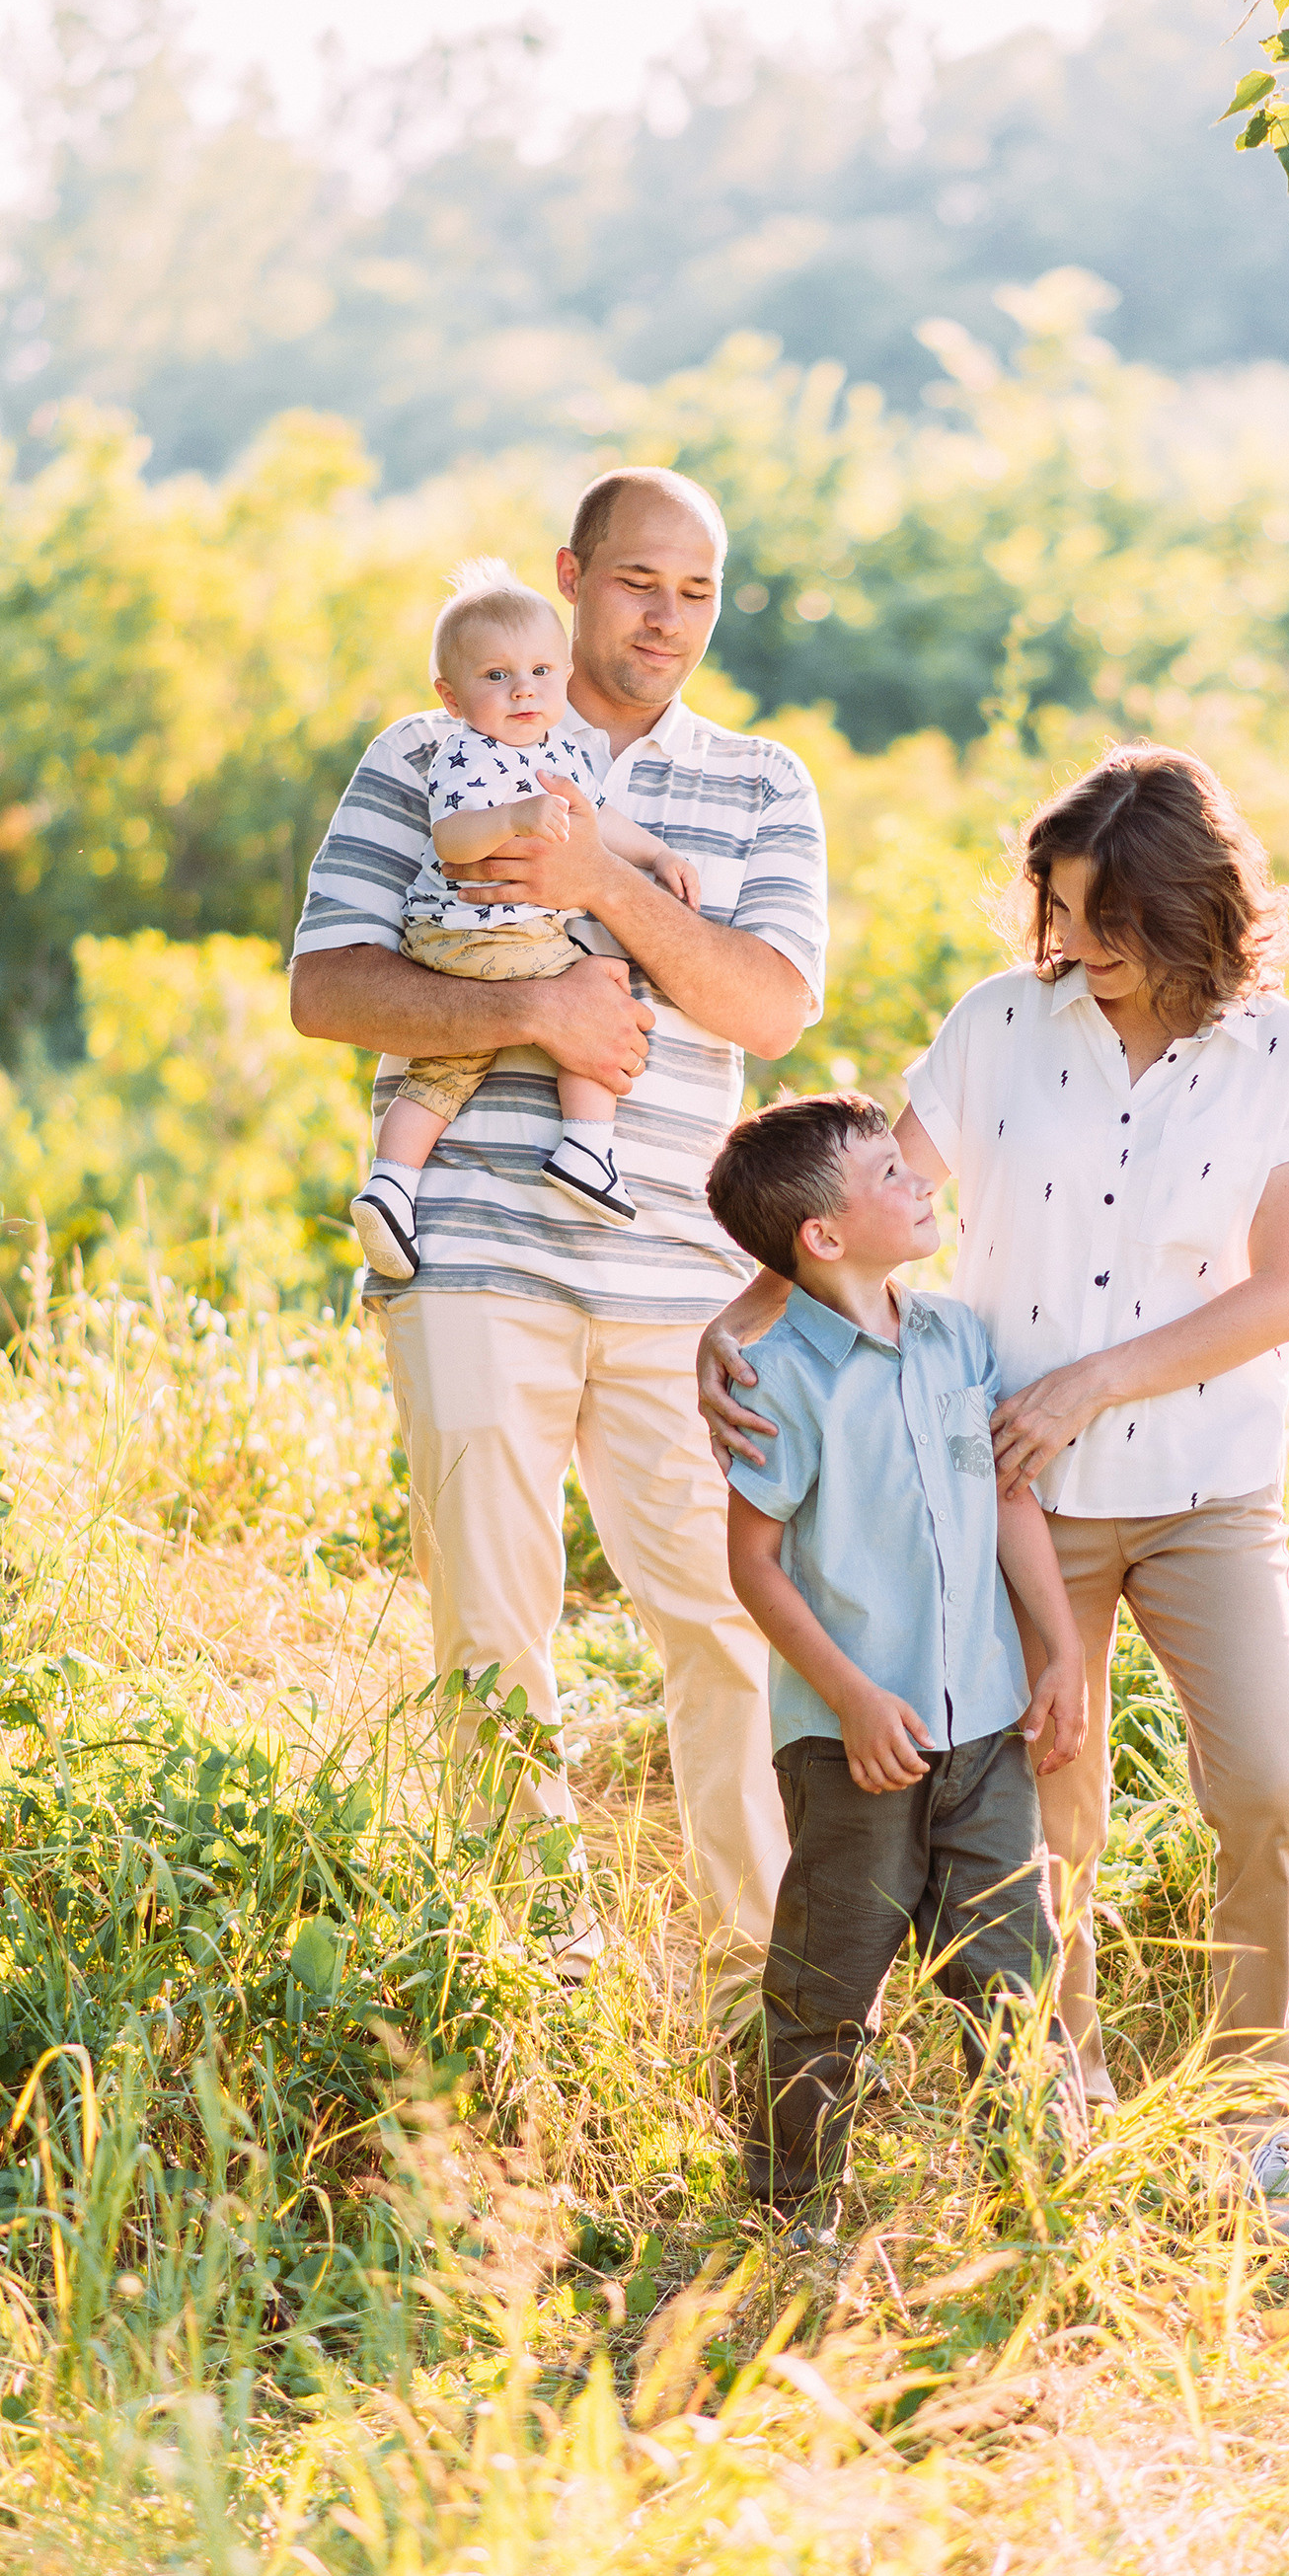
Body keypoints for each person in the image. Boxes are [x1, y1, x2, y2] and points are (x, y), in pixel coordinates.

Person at [701, 744, 1289, 2208]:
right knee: (1054, 1811)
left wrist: (1091, 1382)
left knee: (1269, 1785)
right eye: (1055, 908)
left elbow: (1285, 1293)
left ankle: (1255, 2114)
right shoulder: (999, 1024)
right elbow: (848, 1212)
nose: (1071, 943)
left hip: (1202, 1483)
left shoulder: (1279, 1052)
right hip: (1013, 1495)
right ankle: (1063, 2093)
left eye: (1103, 918)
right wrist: (732, 1330)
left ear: (1187, 907)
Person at [291, 465, 825, 2006]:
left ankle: (766, 1994)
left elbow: (772, 1007)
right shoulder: (428, 748)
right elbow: (326, 986)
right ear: (573, 576)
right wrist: (534, 1005)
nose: (666, 618)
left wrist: (597, 879)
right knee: (491, 1625)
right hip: (469, 1250)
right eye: (639, 581)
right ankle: (529, 1978)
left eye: (697, 592)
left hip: (680, 1278)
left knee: (729, 1620)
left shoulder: (762, 781)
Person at [704, 1092, 1086, 2231]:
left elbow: (1006, 1497)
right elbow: (752, 1565)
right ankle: (789, 2215)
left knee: (1013, 1972)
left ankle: (1035, 2211)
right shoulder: (779, 1377)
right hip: (851, 1747)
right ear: (822, 1236)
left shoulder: (957, 1339)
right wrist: (853, 1698)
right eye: (886, 1173)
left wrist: (1059, 1647)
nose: (918, 1180)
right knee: (826, 1985)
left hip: (984, 1731)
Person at [349, 558, 702, 1280]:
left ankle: (390, 1185)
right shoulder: (465, 752)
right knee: (600, 994)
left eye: (541, 671)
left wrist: (659, 853)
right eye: (497, 675)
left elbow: (600, 818)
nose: (523, 690)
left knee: (446, 1069)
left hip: (489, 940)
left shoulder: (557, 750)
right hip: (478, 931)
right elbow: (453, 839)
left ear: (564, 673)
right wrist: (514, 817)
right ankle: (587, 1147)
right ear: (451, 696)